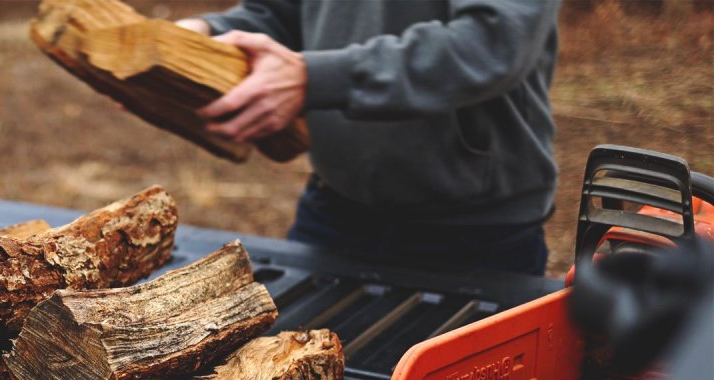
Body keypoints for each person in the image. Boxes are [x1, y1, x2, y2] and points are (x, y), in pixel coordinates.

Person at [176, 0, 561, 275]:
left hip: (478, 234)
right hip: (333, 211)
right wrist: (204, 36)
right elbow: (283, 11)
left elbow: (490, 43)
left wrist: (316, 78)